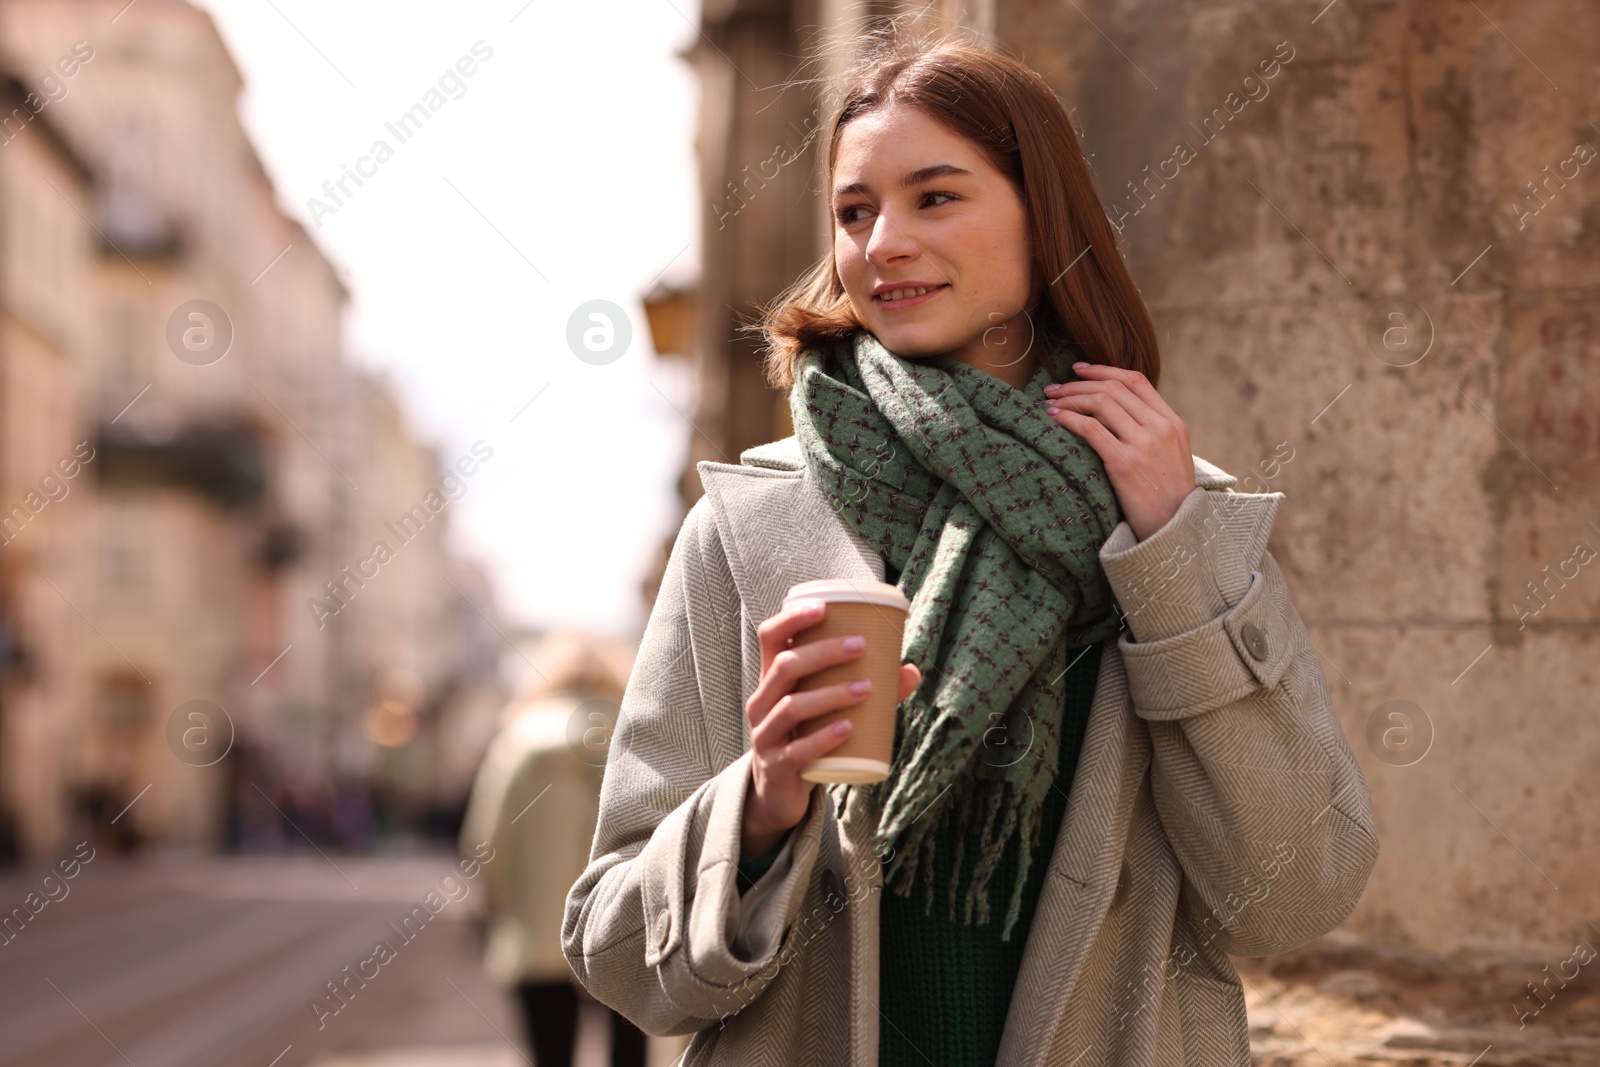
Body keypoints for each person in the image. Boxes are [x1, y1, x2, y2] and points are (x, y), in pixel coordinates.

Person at [563, 23, 1378, 1067]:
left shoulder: (1176, 513)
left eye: (935, 197)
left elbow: (1297, 893)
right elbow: (615, 954)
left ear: (1045, 219)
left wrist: (1171, 561)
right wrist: (760, 801)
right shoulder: (751, 521)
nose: (882, 241)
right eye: (853, 211)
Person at [461, 633, 648, 1067]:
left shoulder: (517, 740)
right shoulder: (635, 730)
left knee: (550, 1053)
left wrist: (494, 904)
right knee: (630, 1053)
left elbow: (486, 838)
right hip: (625, 926)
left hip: (538, 928)